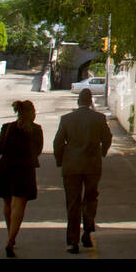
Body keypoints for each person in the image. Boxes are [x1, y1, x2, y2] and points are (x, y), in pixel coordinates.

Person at [53, 88, 113, 254]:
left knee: (73, 203)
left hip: (71, 167)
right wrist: (102, 152)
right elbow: (107, 138)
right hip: (93, 166)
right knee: (91, 198)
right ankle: (87, 231)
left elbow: (57, 143)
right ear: (91, 101)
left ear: (78, 101)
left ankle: (72, 241)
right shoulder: (99, 118)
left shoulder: (66, 119)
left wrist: (60, 161)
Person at [0, 99, 44, 258]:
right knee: (18, 205)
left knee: (8, 202)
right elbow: (38, 151)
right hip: (24, 170)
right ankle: (10, 240)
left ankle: (11, 236)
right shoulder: (36, 130)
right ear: (31, 113)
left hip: (5, 169)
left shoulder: (7, 127)